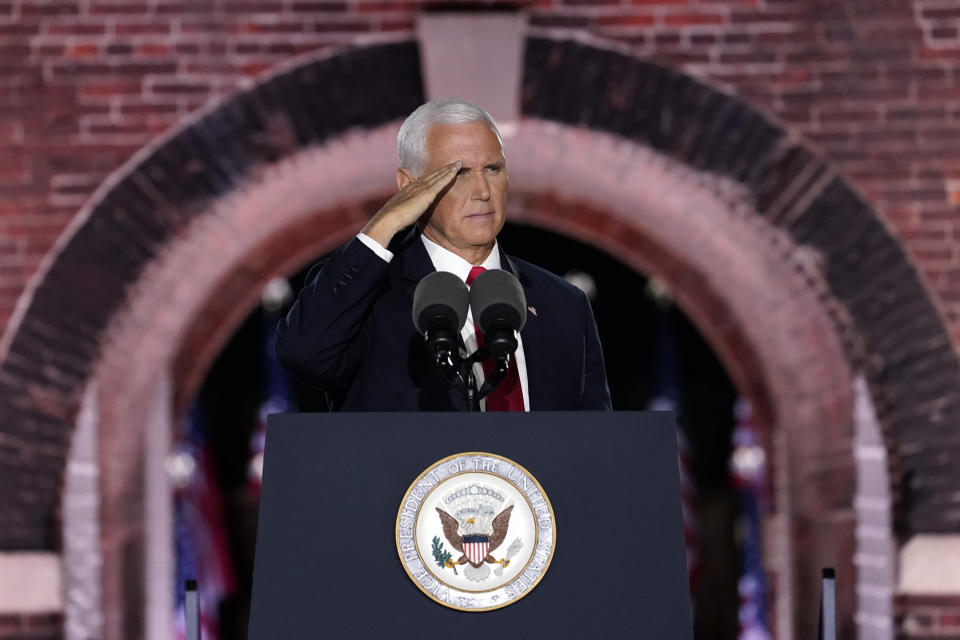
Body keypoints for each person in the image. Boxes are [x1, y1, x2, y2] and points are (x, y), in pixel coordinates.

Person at [276, 98, 611, 411]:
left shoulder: (564, 304)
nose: (482, 192)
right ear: (410, 187)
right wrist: (385, 223)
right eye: (459, 173)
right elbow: (303, 353)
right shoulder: (367, 296)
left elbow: (595, 446)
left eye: (493, 169)